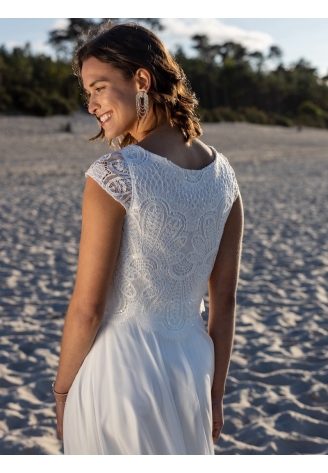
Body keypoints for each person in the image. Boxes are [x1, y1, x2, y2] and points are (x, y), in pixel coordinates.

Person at [53, 21, 244, 455]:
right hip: (193, 370)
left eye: (99, 87)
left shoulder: (115, 174)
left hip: (119, 376)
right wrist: (214, 394)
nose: (92, 105)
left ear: (141, 79)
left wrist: (63, 392)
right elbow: (225, 300)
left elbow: (88, 309)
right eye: (88, 94)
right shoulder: (225, 176)